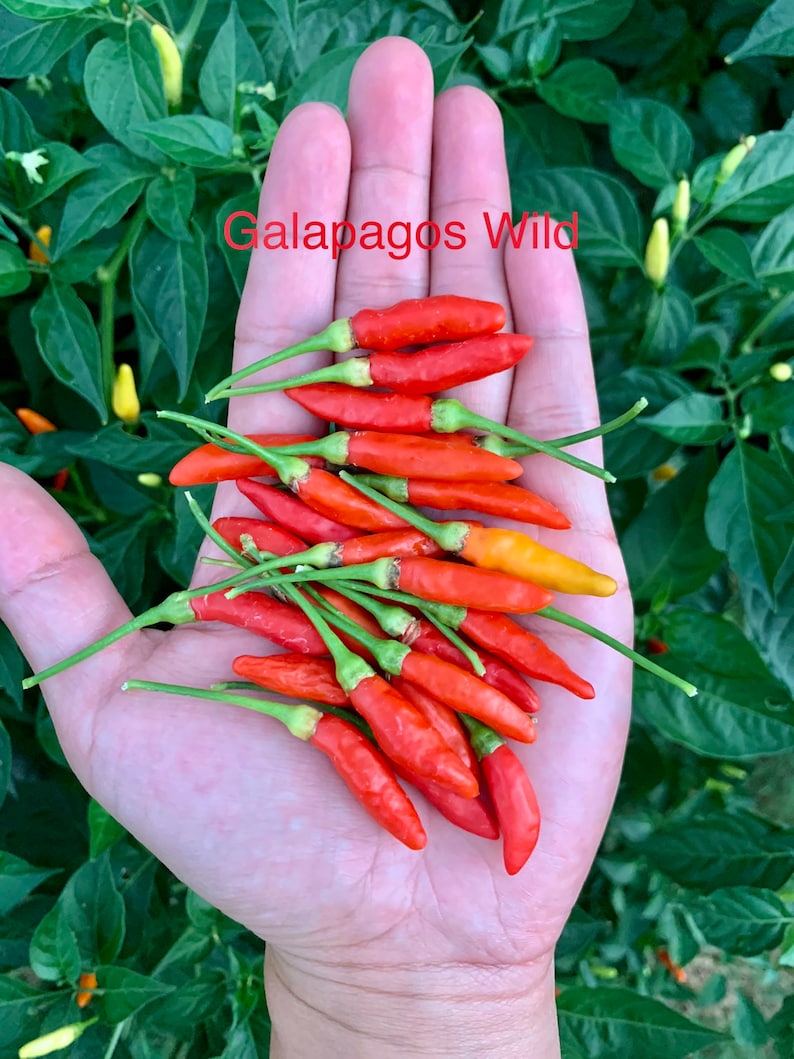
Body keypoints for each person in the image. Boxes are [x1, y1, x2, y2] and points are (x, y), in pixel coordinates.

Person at [0, 37, 633, 1058]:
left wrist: (417, 988)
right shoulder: (361, 560)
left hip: (380, 570)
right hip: (378, 571)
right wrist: (408, 993)